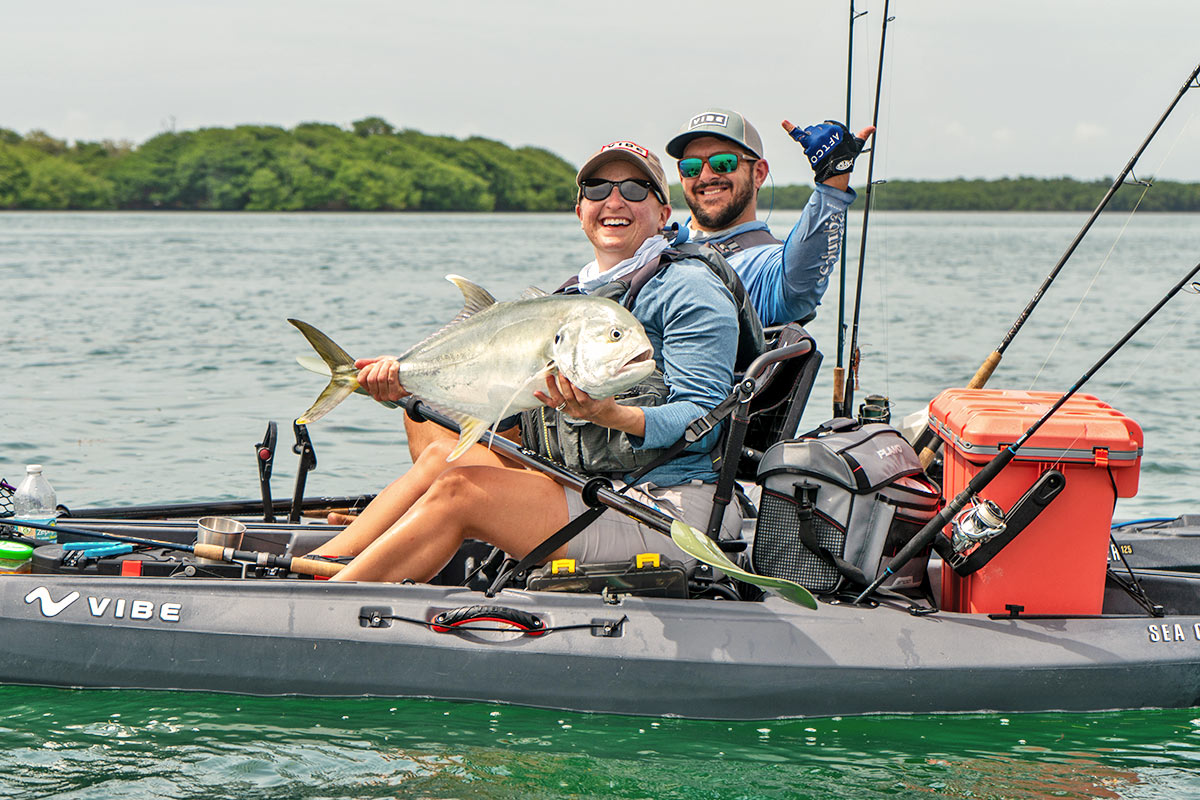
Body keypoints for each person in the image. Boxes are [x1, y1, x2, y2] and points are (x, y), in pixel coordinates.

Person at [311, 141, 742, 582]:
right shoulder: (573, 299)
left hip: (665, 506)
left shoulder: (690, 288)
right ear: (579, 211)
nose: (613, 202)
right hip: (587, 485)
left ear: (664, 212)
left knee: (463, 492)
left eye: (634, 189)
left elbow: (704, 417)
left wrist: (612, 415)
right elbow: (520, 409)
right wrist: (401, 383)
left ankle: (327, 606)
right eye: (596, 189)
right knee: (441, 451)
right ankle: (319, 566)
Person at [665, 108, 875, 327]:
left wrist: (832, 180)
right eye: (691, 167)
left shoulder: (767, 267)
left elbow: (800, 284)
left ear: (758, 174)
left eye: (724, 163)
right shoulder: (657, 243)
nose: (706, 176)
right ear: (681, 176)